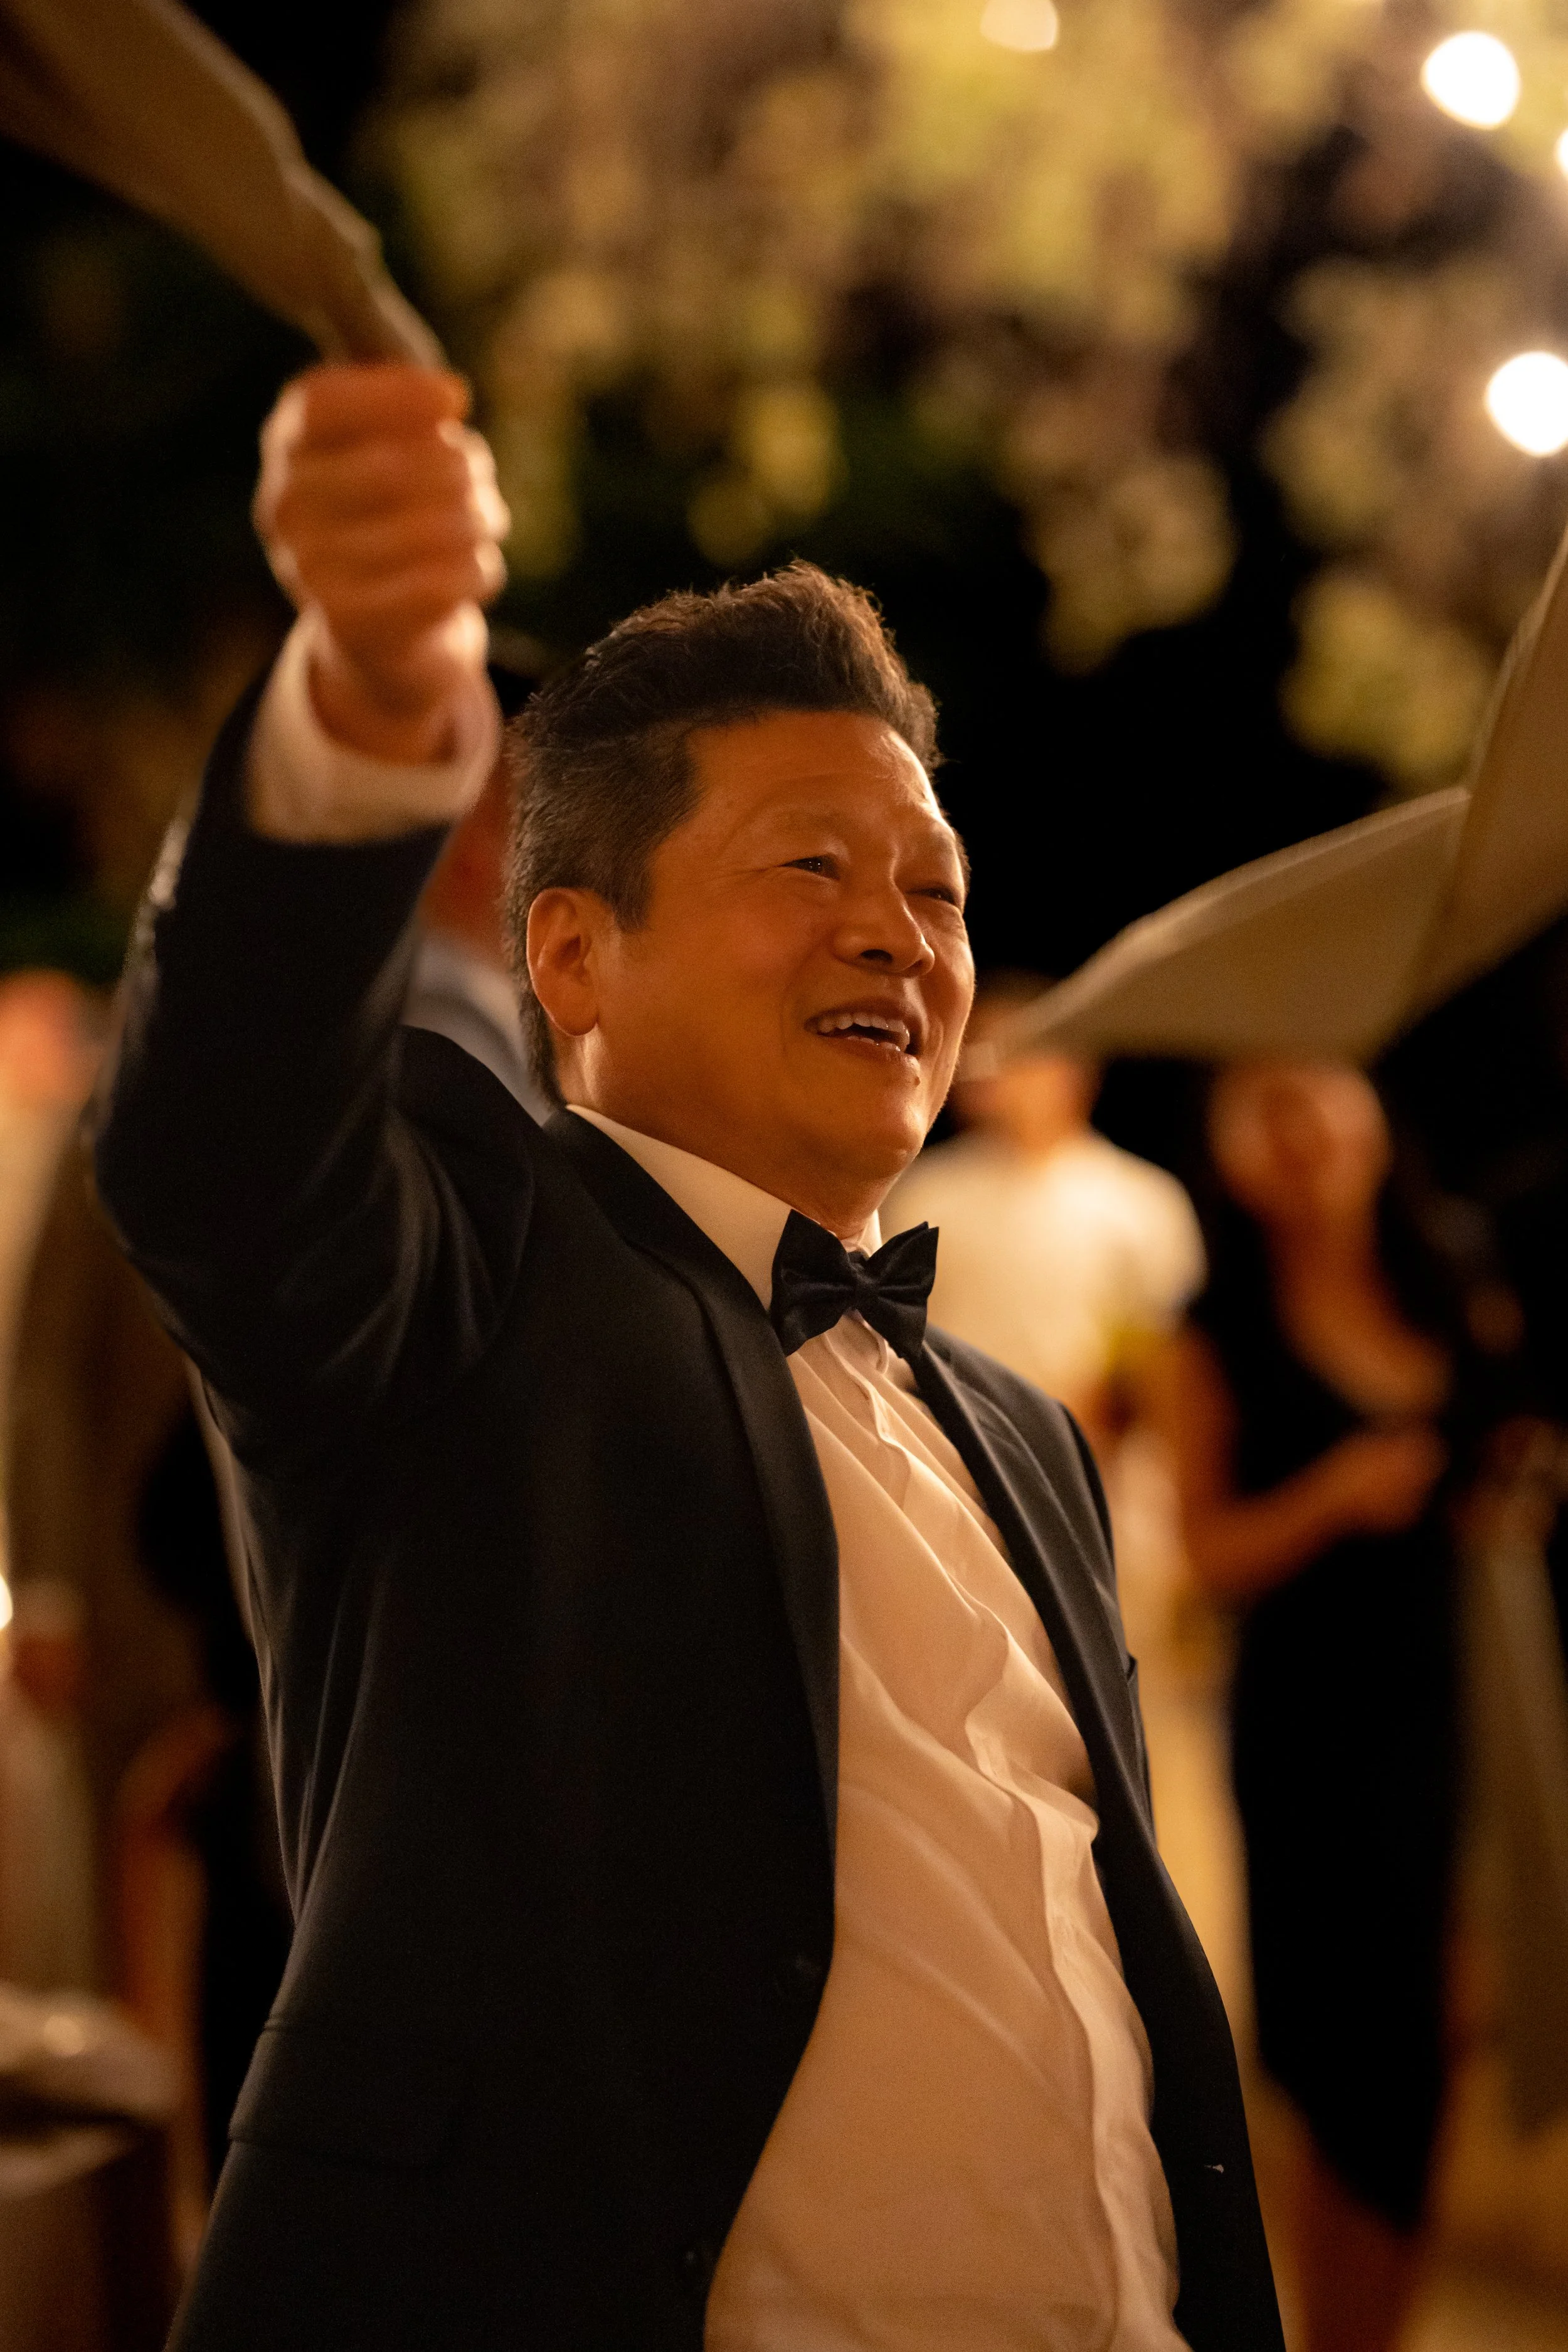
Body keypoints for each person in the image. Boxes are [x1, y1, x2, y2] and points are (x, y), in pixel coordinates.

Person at [92, 363, 1281, 2352]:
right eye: (809, 869)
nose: (894, 936)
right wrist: (368, 715)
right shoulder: (473, 1272)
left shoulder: (1016, 1430)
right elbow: (216, 1140)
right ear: (570, 955)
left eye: (933, 891)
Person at [1150, 1062, 1458, 2352]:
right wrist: (1335, 1495)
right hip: (1309, 1734)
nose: (1300, 1129)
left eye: (1319, 1095)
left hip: (1454, 1720)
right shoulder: (1208, 1327)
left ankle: (1391, 2326)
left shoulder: (1454, 1289)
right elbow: (1207, 1554)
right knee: (1330, 2059)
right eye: (1262, 1107)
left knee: (1430, 2057)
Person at [887, 972, 1204, 1458]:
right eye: (978, 1051)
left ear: (1073, 1067)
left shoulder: (1141, 1199)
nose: (990, 1072)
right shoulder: (925, 1192)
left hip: (1100, 1461)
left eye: (1014, 1053)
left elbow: (1170, 1357)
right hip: (955, 1450)